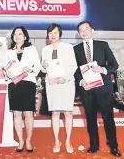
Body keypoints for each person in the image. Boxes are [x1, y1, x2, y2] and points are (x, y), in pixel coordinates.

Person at [73, 21, 121, 157]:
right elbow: (75, 71)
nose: (84, 32)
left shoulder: (103, 45)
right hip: (87, 90)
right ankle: (94, 145)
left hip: (103, 89)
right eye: (81, 30)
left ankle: (113, 146)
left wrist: (103, 69)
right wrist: (81, 82)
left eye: (86, 29)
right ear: (78, 33)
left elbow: (114, 65)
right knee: (90, 119)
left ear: (92, 30)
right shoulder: (75, 49)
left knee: (108, 119)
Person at [41, 23, 77, 154]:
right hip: (52, 84)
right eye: (50, 33)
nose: (52, 35)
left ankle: (68, 140)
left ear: (60, 34)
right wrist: (43, 65)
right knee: (55, 113)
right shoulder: (45, 49)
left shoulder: (68, 47)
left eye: (55, 33)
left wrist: (65, 78)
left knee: (68, 112)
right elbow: (43, 68)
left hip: (66, 83)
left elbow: (73, 65)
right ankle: (57, 141)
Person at [5, 26, 42, 153]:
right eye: (15, 34)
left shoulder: (31, 49)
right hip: (14, 84)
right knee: (16, 114)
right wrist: (10, 73)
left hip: (28, 83)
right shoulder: (9, 52)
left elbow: (38, 66)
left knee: (28, 113)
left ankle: (29, 140)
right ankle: (20, 140)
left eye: (20, 34)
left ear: (25, 37)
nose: (17, 36)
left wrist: (30, 69)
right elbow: (6, 68)